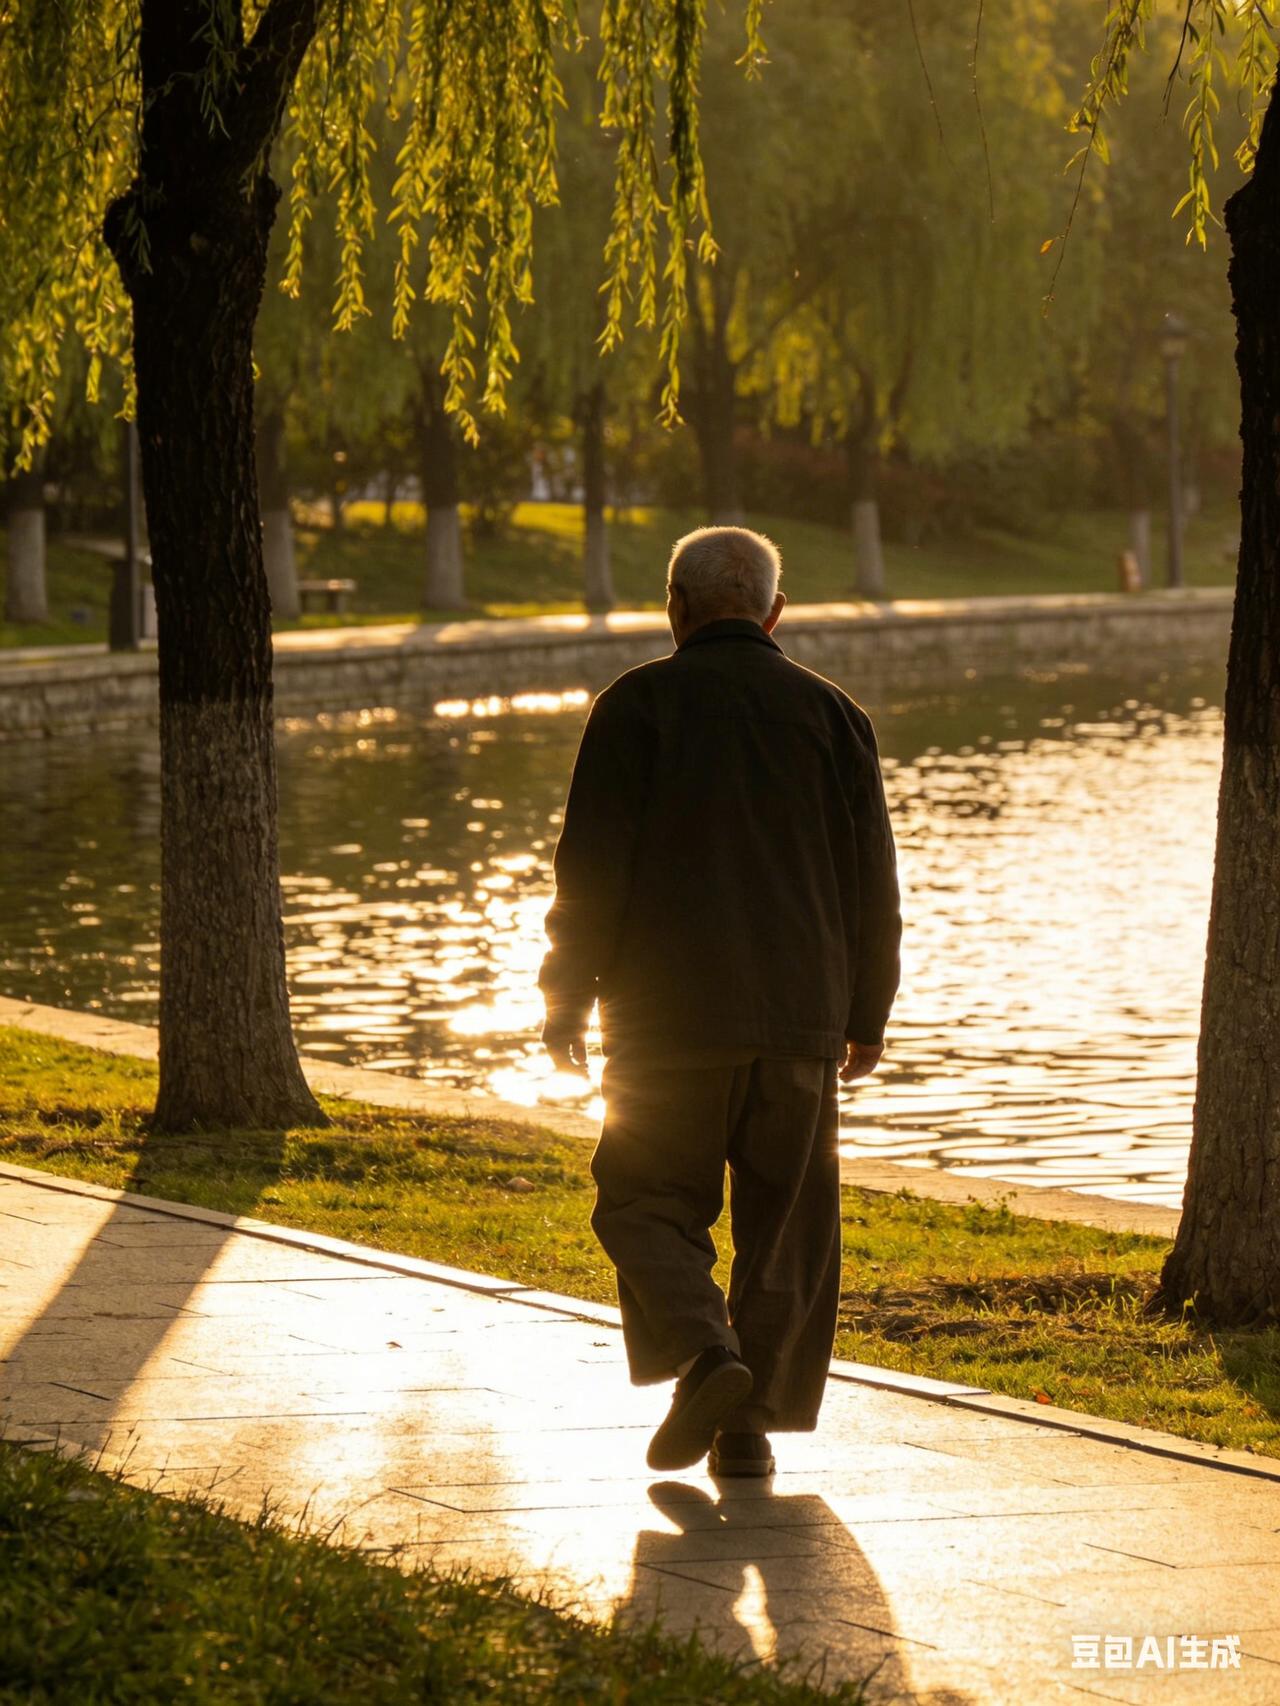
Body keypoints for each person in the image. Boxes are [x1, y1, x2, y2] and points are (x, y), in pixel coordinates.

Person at [538, 525, 901, 1478]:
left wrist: (566, 996)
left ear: (677, 606)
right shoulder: (834, 716)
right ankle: (747, 1432)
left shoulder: (636, 707)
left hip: (665, 1023)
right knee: (786, 1225)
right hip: (801, 1019)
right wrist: (868, 1012)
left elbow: (591, 873)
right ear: (775, 613)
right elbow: (874, 884)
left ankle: (708, 1356)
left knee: (644, 1199)